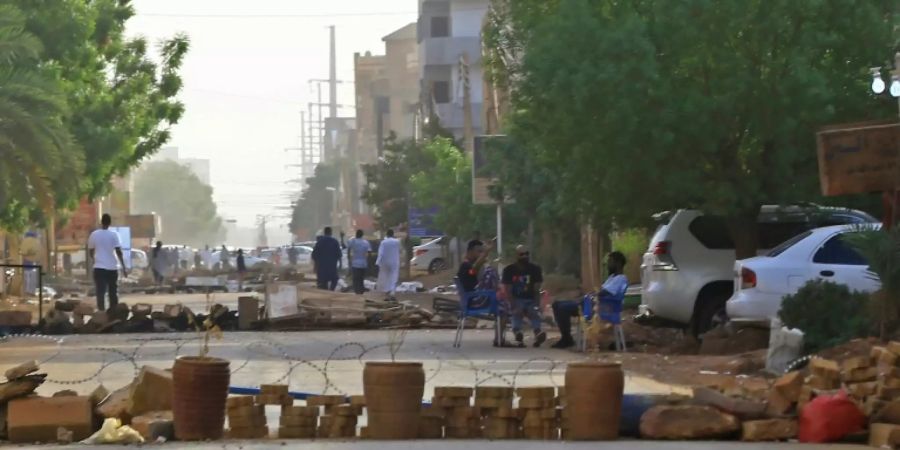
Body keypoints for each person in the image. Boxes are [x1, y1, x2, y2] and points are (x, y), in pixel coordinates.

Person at [551, 251, 629, 349]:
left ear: (618, 263)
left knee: (561, 307)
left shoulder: (621, 279)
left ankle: (566, 339)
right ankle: (566, 338)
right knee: (556, 304)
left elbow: (605, 293)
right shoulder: (612, 278)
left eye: (610, 261)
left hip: (598, 308)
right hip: (592, 304)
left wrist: (590, 295)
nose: (607, 265)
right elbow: (601, 292)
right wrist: (589, 295)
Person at [502, 245, 546, 347]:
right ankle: (518, 333)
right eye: (522, 254)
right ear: (516, 255)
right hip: (516, 298)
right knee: (517, 313)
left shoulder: (535, 269)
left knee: (534, 313)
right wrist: (513, 305)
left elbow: (536, 289)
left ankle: (538, 333)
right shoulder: (509, 270)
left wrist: (536, 305)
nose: (525, 256)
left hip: (531, 299)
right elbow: (507, 290)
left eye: (527, 254)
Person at [87, 214, 127, 311]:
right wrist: (124, 267)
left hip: (99, 267)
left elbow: (91, 251)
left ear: (101, 222)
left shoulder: (94, 234)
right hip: (112, 268)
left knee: (100, 292)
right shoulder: (114, 235)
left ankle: (101, 312)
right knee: (113, 292)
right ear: (110, 223)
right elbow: (118, 251)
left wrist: (95, 260)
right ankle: (113, 313)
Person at [376, 229, 401, 299]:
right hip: (395, 261)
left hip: (385, 262)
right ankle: (392, 291)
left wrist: (378, 262)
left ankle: (387, 290)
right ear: (393, 234)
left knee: (386, 276)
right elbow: (400, 250)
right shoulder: (397, 242)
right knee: (393, 276)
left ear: (387, 235)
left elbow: (380, 253)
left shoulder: (383, 242)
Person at [347, 230, 372, 295]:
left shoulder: (353, 241)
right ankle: (361, 292)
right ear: (362, 235)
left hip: (355, 264)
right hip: (363, 264)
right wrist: (368, 261)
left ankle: (357, 293)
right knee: (361, 279)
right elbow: (369, 253)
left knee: (355, 280)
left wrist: (349, 258)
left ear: (356, 234)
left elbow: (348, 249)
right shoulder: (366, 242)